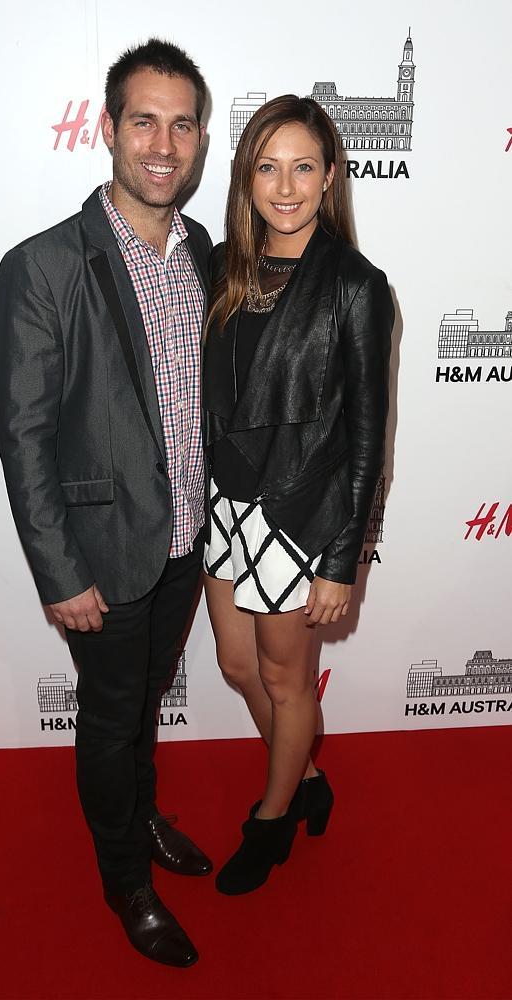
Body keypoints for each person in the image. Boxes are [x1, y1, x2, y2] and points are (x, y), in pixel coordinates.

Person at [0, 39, 212, 967]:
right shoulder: (45, 265)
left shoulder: (204, 250)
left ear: (200, 138)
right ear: (109, 128)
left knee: (143, 704)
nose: (162, 143)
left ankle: (141, 810)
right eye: (143, 121)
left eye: (182, 123)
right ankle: (125, 875)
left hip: (187, 542)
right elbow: (25, 432)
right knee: (109, 714)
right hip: (101, 556)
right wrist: (60, 571)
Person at [202, 95, 394, 895]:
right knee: (236, 665)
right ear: (247, 176)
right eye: (267, 167)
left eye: (303, 166)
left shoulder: (358, 287)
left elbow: (368, 436)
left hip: (299, 513)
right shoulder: (222, 267)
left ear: (331, 176)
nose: (285, 186)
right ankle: (309, 776)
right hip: (224, 501)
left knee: (286, 682)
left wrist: (341, 558)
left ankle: (273, 818)